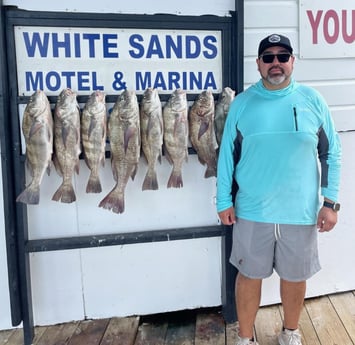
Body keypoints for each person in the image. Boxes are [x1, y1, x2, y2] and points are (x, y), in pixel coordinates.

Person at [216, 34, 341, 345]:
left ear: (292, 62)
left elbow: (332, 153)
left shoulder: (313, 100)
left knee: (295, 277)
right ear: (258, 64)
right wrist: (223, 200)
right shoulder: (242, 104)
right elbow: (226, 157)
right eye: (268, 57)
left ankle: (290, 332)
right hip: (252, 210)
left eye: (282, 56)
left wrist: (331, 202)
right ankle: (245, 338)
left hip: (299, 211)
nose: (276, 63)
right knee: (248, 277)